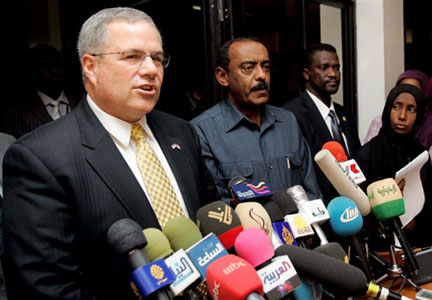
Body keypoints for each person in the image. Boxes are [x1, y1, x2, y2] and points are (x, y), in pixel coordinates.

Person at [2, 7, 217, 300]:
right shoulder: (39, 158)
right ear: (90, 66)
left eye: (157, 58)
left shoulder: (182, 133)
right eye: (132, 56)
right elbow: (46, 288)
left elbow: (210, 223)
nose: (151, 69)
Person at [191, 37, 322, 202]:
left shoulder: (288, 122)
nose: (262, 75)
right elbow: (218, 208)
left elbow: (312, 193)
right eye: (248, 68)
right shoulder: (203, 131)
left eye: (266, 67)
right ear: (223, 76)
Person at [354, 84, 432, 248]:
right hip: (377, 248)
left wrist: (416, 220)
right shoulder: (367, 154)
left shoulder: (421, 155)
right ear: (388, 109)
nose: (402, 116)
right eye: (396, 107)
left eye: (411, 109)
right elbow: (357, 203)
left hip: (416, 245)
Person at [282, 43, 361, 204]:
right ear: (307, 74)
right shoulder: (291, 115)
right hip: (320, 209)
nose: (333, 74)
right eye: (324, 67)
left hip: (352, 207)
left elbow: (356, 160)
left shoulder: (344, 114)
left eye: (336, 67)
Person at [0, 44, 80, 139]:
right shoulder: (16, 112)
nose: (53, 70)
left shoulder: (84, 102)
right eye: (45, 66)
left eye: (56, 65)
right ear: (32, 70)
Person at [363, 69, 431, 145]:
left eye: (415, 90)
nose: (402, 116)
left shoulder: (429, 129)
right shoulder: (379, 123)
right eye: (403, 88)